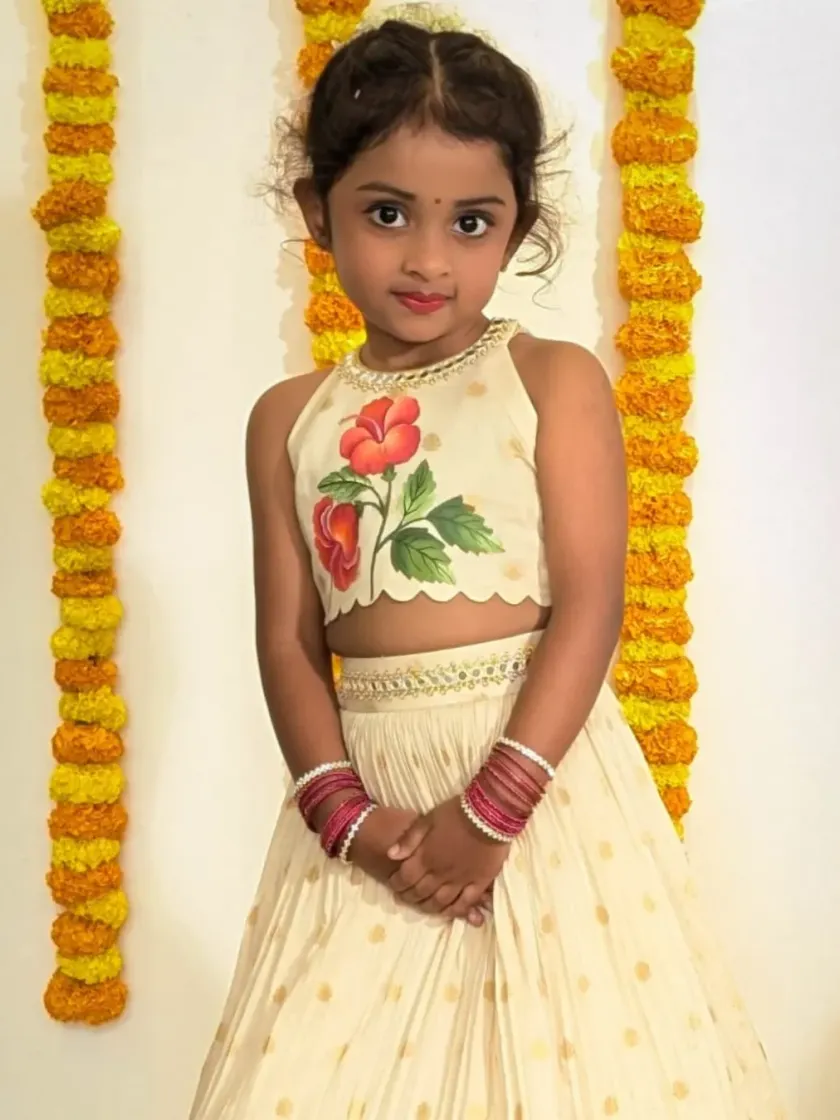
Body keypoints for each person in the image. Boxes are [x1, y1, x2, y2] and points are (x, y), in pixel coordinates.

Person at [188, 16, 784, 1119]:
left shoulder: (550, 380)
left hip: (539, 791)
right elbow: (287, 642)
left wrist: (492, 812)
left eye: (471, 222)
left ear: (517, 230)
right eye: (387, 214)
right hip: (371, 810)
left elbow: (591, 607)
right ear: (316, 210)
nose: (428, 258)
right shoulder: (289, 418)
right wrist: (349, 820)